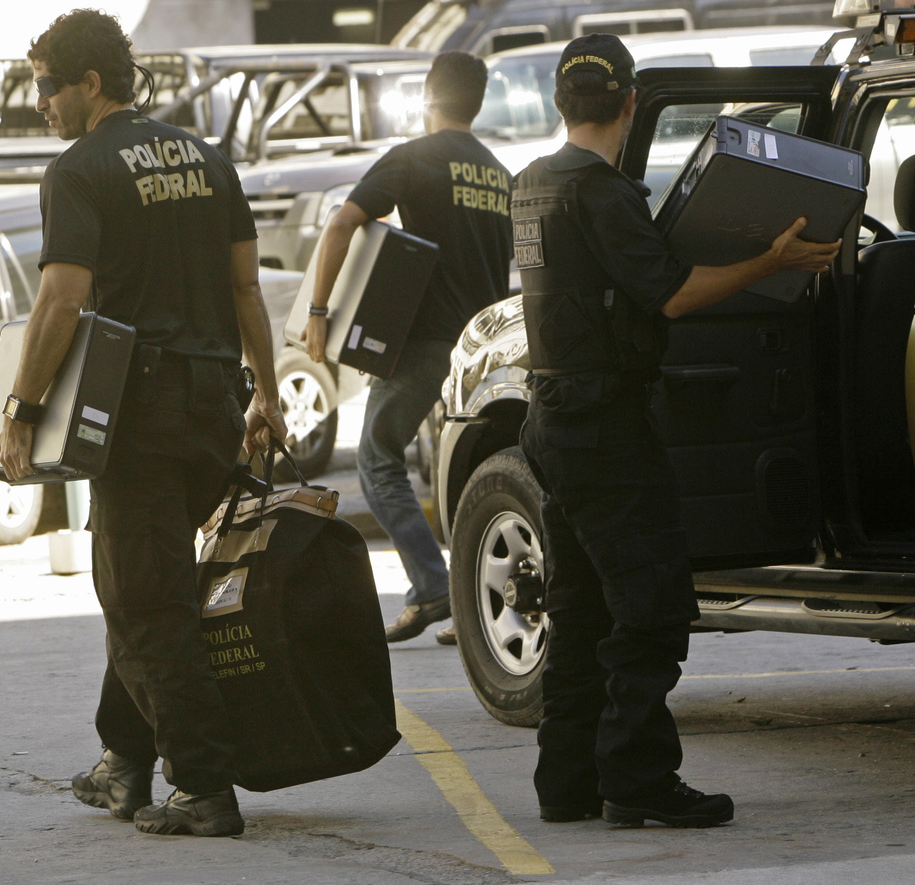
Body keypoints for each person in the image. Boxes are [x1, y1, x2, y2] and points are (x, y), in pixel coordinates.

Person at [513, 34, 840, 828]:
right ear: (628, 103)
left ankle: (567, 783)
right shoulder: (604, 191)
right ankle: (638, 776)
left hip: (551, 419)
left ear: (563, 103)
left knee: (583, 607)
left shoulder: (531, 184)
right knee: (650, 607)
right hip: (606, 426)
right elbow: (670, 294)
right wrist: (773, 259)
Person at [0, 10, 286, 837]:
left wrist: (21, 410)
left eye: (48, 86)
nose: (41, 102)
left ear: (91, 84)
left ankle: (200, 784)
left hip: (140, 416)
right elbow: (245, 291)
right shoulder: (208, 156)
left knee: (144, 597)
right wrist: (265, 393)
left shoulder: (79, 169)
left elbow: (62, 296)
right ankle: (124, 760)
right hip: (212, 411)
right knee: (145, 577)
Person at [303, 51, 513, 643]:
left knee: (376, 457)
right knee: (463, 472)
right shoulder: (499, 172)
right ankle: (474, 607)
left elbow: (343, 223)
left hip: (424, 342)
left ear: (427, 97)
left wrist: (319, 312)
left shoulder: (414, 159)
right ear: (477, 102)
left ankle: (430, 586)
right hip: (483, 348)